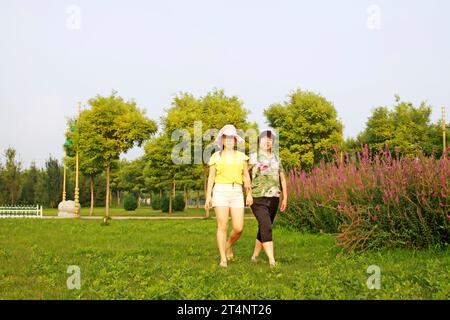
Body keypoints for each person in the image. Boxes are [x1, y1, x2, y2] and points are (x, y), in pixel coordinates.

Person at [205, 124, 253, 267]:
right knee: (223, 224)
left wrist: (249, 194)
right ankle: (223, 259)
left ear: (236, 140)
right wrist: (208, 196)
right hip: (220, 191)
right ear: (223, 140)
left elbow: (246, 176)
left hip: (237, 191)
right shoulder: (215, 157)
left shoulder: (242, 157)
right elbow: (211, 178)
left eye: (232, 138)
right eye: (227, 138)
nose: (230, 140)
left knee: (238, 228)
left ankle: (227, 245)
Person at [248, 130, 287, 267]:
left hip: (275, 197)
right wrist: (247, 193)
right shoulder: (253, 157)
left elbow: (282, 178)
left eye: (270, 140)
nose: (267, 141)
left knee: (264, 226)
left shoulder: (277, 159)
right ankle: (272, 260)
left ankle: (254, 256)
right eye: (265, 139)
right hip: (258, 197)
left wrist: (285, 197)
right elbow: (244, 175)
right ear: (260, 141)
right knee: (266, 226)